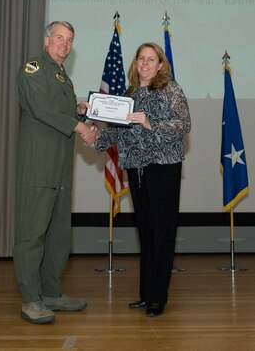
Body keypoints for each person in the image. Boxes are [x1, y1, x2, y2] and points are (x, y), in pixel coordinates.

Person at [94, 42, 191, 317]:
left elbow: (185, 125)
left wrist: (151, 124)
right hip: (135, 168)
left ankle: (158, 296)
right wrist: (92, 132)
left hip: (163, 168)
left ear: (161, 64)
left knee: (162, 232)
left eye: (151, 59)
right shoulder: (129, 93)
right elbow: (117, 132)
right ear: (135, 63)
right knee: (146, 231)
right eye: (141, 58)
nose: (145, 63)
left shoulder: (170, 89)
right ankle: (146, 293)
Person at [13, 21, 98, 324]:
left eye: (69, 39)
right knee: (33, 232)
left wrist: (78, 110)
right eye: (59, 38)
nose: (64, 43)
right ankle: (30, 298)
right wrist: (79, 126)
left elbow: (58, 110)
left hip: (60, 164)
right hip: (39, 163)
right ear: (47, 39)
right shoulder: (34, 68)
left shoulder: (62, 76)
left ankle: (50, 291)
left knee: (58, 232)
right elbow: (41, 108)